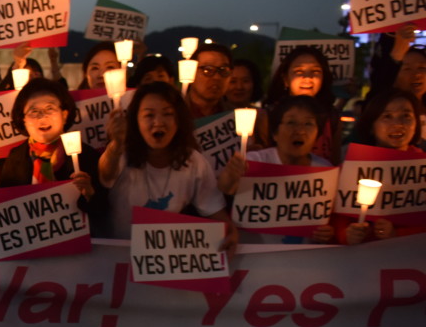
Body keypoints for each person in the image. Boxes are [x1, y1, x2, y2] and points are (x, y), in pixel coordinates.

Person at [99, 81, 235, 243]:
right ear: (135, 121)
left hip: (166, 258)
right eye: (149, 115)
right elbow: (106, 173)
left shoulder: (193, 161)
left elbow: (215, 212)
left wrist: (230, 232)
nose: (158, 122)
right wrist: (117, 143)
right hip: (118, 254)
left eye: (168, 114)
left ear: (179, 120)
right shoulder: (121, 153)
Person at [0, 78, 103, 232]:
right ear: (23, 119)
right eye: (34, 111)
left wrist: (90, 194)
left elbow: (103, 212)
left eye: (50, 108)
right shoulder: (15, 157)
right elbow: (5, 212)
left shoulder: (86, 155)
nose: (42, 117)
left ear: (64, 114)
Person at [218, 96, 335, 244]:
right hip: (255, 254)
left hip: (303, 258)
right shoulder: (254, 161)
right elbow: (225, 187)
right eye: (291, 122)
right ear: (275, 133)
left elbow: (331, 221)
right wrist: (231, 173)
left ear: (317, 135)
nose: (299, 130)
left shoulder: (325, 170)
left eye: (308, 123)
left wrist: (327, 232)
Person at [337, 89, 425, 244]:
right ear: (371, 125)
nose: (397, 124)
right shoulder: (351, 168)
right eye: (387, 116)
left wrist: (397, 235)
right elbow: (334, 222)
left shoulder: (422, 168)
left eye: (406, 116)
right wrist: (346, 235)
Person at [259, 47, 339, 163]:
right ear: (285, 79)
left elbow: (335, 164)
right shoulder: (267, 116)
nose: (307, 78)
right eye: (299, 72)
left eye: (315, 72)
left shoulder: (332, 117)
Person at [185, 43, 233, 120]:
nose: (216, 77)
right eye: (207, 70)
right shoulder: (174, 113)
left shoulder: (237, 117)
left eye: (223, 70)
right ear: (190, 72)